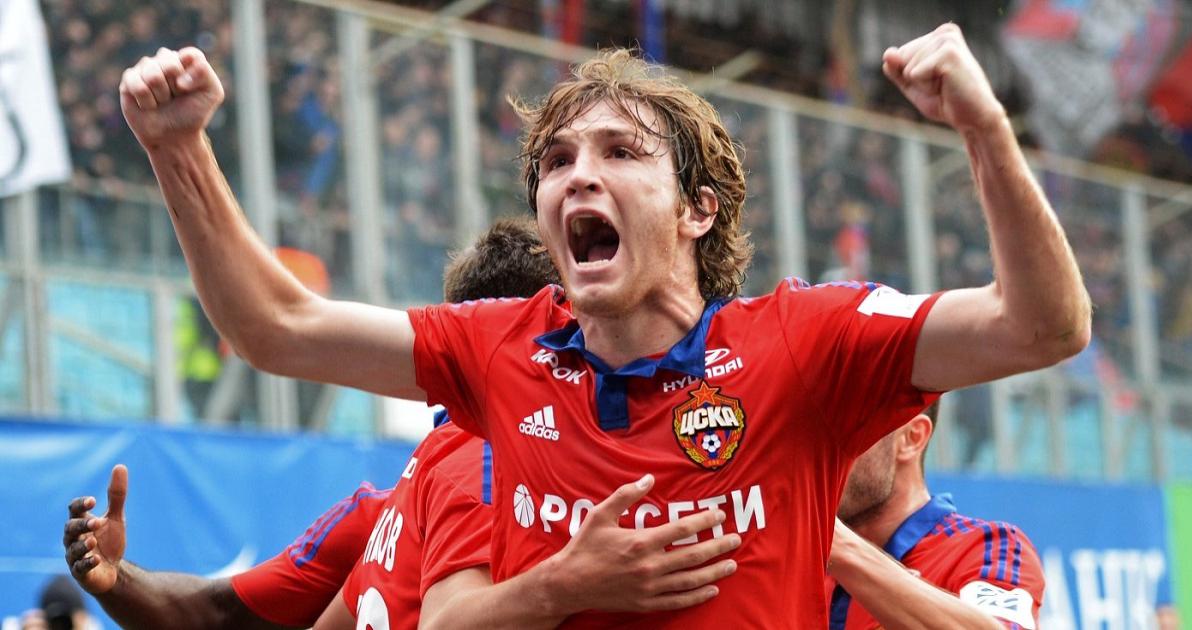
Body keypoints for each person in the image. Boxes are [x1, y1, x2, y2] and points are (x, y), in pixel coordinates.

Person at [118, 21, 1090, 626]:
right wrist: (178, 151)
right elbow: (276, 327)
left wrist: (984, 130)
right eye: (556, 161)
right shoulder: (500, 347)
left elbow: (1044, 328)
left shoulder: (803, 341)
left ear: (697, 209)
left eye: (621, 151)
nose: (578, 174)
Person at [62, 218, 737, 629]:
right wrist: (571, 583)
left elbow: (215, 615)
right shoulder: (491, 470)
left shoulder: (388, 506)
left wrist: (116, 580)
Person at [826, 404, 1045, 629]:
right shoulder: (809, 564)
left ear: (912, 437)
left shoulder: (989, 547)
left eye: (842, 432)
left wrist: (839, 546)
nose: (819, 457)